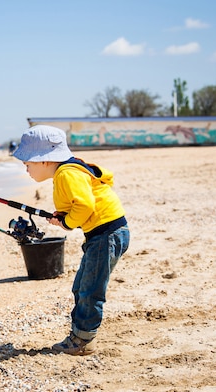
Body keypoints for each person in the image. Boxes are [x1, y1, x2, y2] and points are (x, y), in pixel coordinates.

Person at [13, 125, 129, 356]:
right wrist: (65, 217)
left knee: (90, 290)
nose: (26, 169)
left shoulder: (66, 174)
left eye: (28, 164)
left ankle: (83, 340)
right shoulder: (69, 169)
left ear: (45, 160)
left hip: (107, 235)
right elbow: (83, 201)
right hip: (104, 233)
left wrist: (67, 223)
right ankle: (80, 334)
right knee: (81, 286)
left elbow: (85, 205)